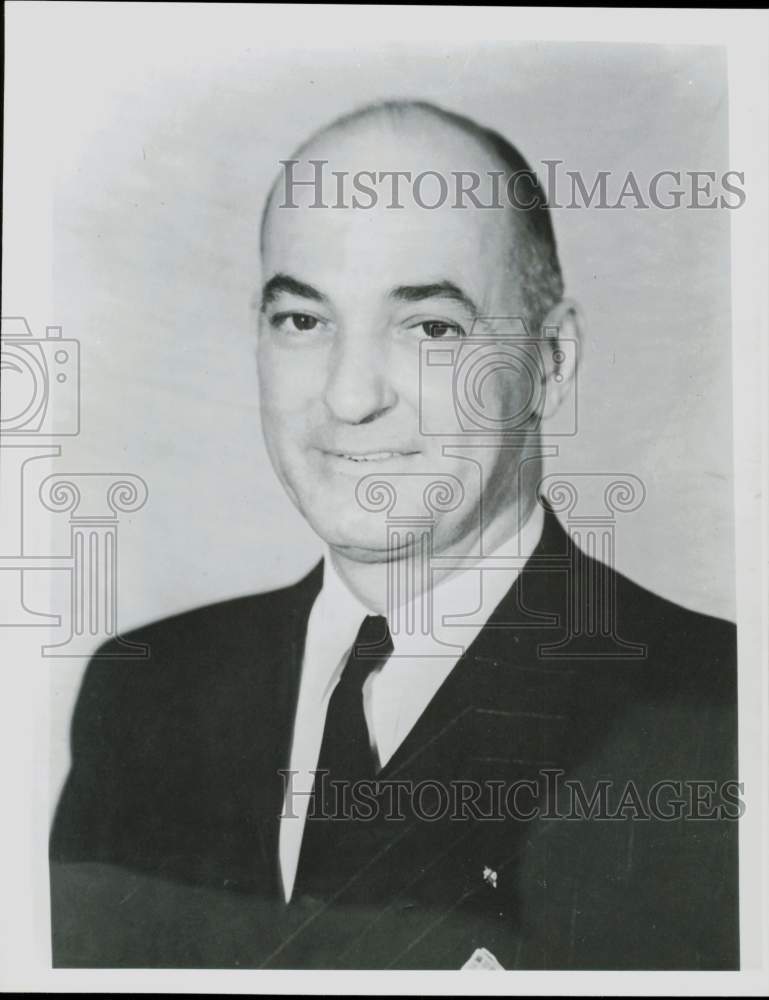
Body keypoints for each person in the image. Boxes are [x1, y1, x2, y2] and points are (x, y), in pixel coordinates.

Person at [49, 100, 739, 970]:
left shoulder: (717, 714)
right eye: (303, 320)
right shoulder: (146, 693)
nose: (348, 397)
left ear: (551, 362)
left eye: (430, 328)